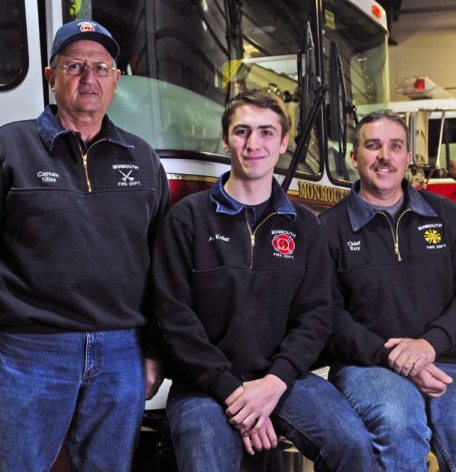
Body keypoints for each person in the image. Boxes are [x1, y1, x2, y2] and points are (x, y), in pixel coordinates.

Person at [0, 20, 170, 471]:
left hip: (121, 352)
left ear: (117, 79)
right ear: (52, 77)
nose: (90, 79)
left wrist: (154, 351)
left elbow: (165, 273)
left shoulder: (143, 160)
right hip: (32, 352)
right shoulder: (9, 148)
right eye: (75, 66)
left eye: (102, 68)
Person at [153, 90, 376, 472]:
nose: (253, 144)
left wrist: (273, 384)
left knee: (352, 445)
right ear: (225, 139)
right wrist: (234, 393)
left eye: (266, 132)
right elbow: (175, 319)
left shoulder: (305, 226)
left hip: (284, 381)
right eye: (242, 131)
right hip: (203, 386)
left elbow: (316, 317)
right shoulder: (186, 220)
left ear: (284, 143)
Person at [319, 110, 456, 471]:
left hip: (441, 359)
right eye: (373, 146)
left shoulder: (449, 218)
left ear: (408, 158)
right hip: (366, 364)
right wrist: (394, 357)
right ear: (354, 158)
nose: (384, 156)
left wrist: (428, 346)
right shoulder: (328, 229)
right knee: (401, 431)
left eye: (395, 146)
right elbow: (328, 315)